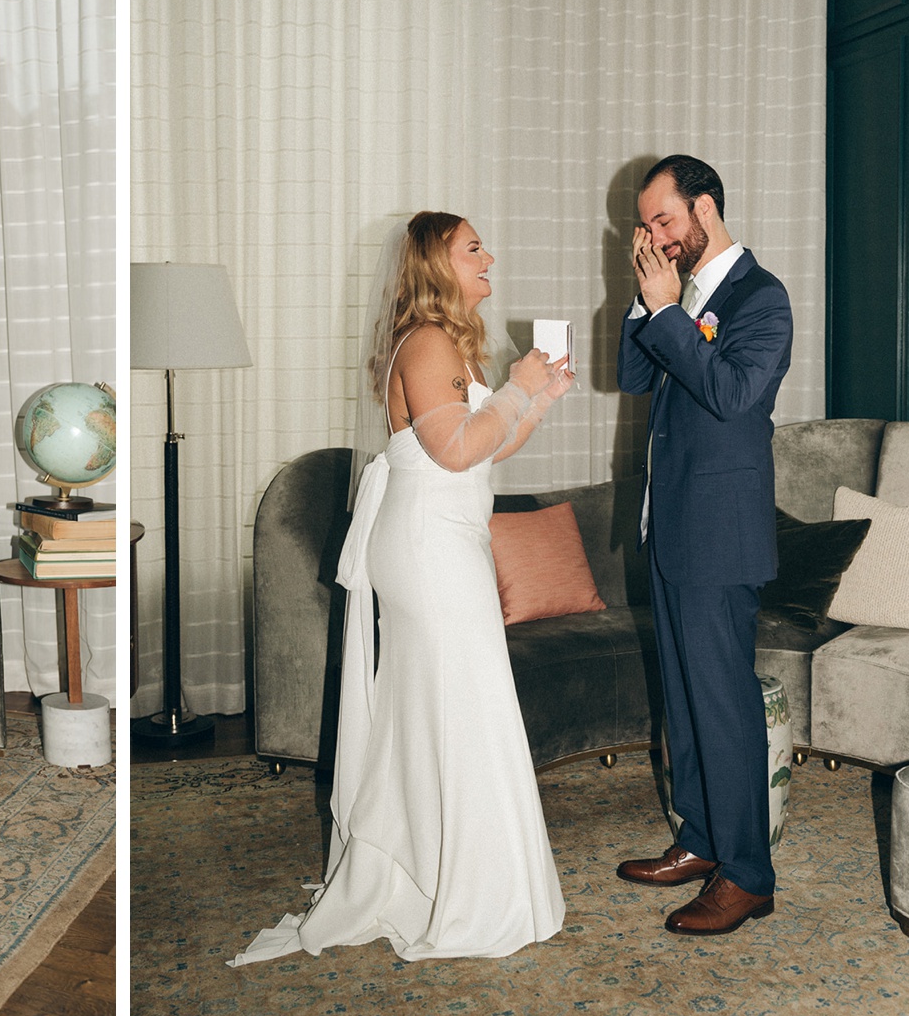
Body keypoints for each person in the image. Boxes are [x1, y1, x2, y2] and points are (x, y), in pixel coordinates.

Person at [232, 213, 574, 968]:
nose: (491, 256)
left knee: (449, 706)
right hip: (427, 547)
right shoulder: (424, 341)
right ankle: (461, 889)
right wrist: (516, 388)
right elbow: (455, 451)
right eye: (473, 247)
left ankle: (435, 873)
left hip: (447, 539)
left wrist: (536, 395)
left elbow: (489, 444)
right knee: (466, 703)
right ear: (434, 264)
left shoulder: (446, 343)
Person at [616, 156, 793, 936]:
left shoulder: (762, 297)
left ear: (705, 209)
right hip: (670, 526)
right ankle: (701, 841)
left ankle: (748, 874)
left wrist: (667, 315)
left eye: (664, 219)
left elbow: (729, 395)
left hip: (721, 536)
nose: (654, 235)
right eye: (646, 224)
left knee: (722, 706)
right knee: (686, 701)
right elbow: (629, 376)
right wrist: (645, 302)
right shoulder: (677, 296)